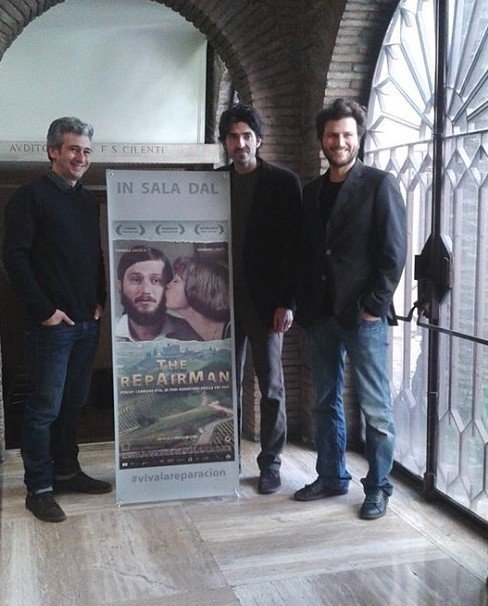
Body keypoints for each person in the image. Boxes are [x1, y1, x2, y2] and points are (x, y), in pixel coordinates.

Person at [294, 98, 407, 519]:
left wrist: (374, 306)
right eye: (331, 135)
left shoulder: (379, 184)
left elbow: (394, 253)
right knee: (325, 400)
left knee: (375, 407)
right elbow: (307, 253)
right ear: (321, 140)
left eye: (346, 135)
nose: (338, 142)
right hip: (321, 315)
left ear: (358, 138)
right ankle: (331, 476)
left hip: (363, 316)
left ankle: (377, 486)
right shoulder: (312, 192)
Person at [3, 117, 111, 523]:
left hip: (86, 322)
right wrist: (44, 311)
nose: (81, 158)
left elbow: (93, 255)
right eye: (73, 149)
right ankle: (40, 487)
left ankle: (67, 471)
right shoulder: (29, 198)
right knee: (44, 409)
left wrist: (99, 298)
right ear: (52, 151)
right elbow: (14, 257)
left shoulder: (86, 200)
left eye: (86, 151)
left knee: (72, 405)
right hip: (52, 326)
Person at [217, 103, 302, 494]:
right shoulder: (212, 183)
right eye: (233, 137)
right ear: (224, 143)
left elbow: (293, 248)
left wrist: (288, 301)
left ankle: (270, 463)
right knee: (223, 386)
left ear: (259, 140)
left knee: (270, 387)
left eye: (246, 136)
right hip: (218, 304)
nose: (240, 143)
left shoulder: (283, 182)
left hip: (266, 303)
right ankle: (224, 460)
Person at [115, 245, 200, 342]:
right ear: (120, 286)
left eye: (156, 280)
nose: (146, 290)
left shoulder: (191, 334)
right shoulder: (109, 331)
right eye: (136, 279)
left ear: (167, 286)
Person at [166, 256, 231, 341]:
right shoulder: (182, 336)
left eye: (176, 281)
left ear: (196, 290)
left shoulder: (233, 332)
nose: (168, 285)